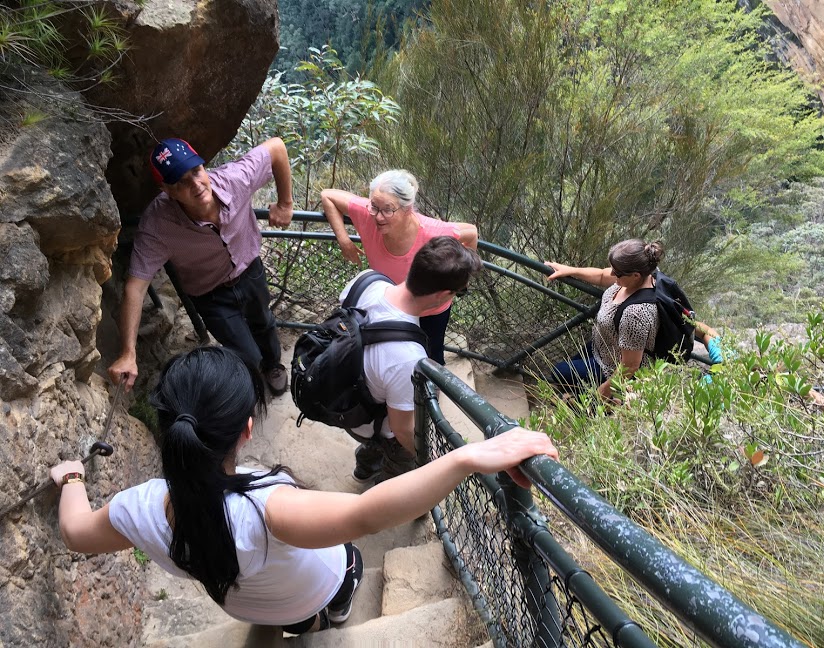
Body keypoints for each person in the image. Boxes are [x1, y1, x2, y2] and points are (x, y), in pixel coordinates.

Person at [49, 346, 557, 634]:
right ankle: (332, 612)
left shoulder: (138, 509)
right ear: (247, 429)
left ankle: (313, 622)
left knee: (302, 609)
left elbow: (74, 530)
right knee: (350, 562)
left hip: (246, 609)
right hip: (309, 591)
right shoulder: (268, 509)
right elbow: (366, 515)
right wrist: (466, 456)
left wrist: (72, 477)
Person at [108, 137, 294, 396]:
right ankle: (251, 385)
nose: (196, 185)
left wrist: (285, 204)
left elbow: (276, 147)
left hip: (249, 270)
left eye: (196, 171)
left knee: (264, 322)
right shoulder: (157, 226)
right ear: (167, 190)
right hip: (210, 295)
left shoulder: (234, 180)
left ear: (203, 167)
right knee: (244, 353)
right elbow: (136, 288)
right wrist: (128, 353)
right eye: (182, 182)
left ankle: (273, 366)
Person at [342, 236, 483, 484]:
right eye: (459, 293)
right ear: (443, 295)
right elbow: (402, 430)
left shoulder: (366, 281)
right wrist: (430, 456)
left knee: (376, 434)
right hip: (372, 423)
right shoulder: (407, 358)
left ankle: (364, 467)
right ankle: (385, 494)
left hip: (346, 397)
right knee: (400, 460)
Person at [321, 170, 479, 364]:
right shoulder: (367, 214)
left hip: (429, 310)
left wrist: (460, 282)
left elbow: (471, 233)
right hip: (390, 302)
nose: (378, 217)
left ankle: (430, 389)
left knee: (431, 354)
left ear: (407, 208)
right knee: (389, 352)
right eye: (374, 207)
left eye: (388, 210)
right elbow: (327, 196)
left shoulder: (434, 232)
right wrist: (344, 240)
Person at [544, 239, 666, 401]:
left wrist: (602, 394)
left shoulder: (636, 313)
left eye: (617, 272)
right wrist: (570, 270)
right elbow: (602, 275)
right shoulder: (644, 273)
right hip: (604, 344)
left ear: (636, 275)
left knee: (559, 372)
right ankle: (579, 393)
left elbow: (630, 366)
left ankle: (609, 400)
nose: (612, 274)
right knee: (568, 369)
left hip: (612, 364)